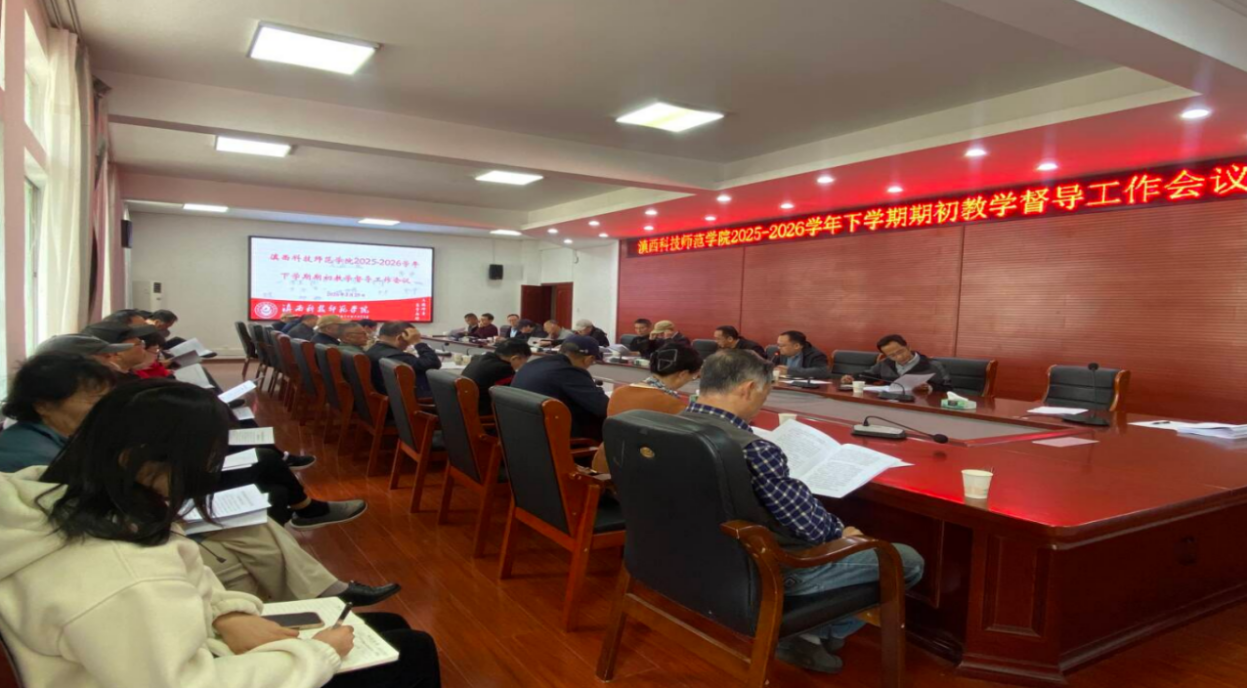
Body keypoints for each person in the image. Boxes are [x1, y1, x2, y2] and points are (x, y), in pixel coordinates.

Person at [0, 380, 441, 688]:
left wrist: (225, 615)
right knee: (411, 649)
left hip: (164, 652)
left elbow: (182, 582)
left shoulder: (47, 492)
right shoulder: (124, 577)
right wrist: (319, 654)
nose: (209, 473)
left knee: (392, 628)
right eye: (206, 460)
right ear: (138, 459)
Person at [0, 359, 399, 607]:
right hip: (130, 535)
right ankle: (306, 601)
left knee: (255, 523)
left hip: (141, 516)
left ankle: (324, 594)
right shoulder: (28, 455)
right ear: (43, 404)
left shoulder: (61, 434)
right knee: (261, 481)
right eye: (94, 398)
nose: (104, 407)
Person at [679, 350, 924, 674]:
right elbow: (812, 528)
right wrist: (842, 533)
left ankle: (811, 634)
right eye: (765, 393)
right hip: (758, 571)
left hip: (691, 558)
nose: (762, 402)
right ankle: (809, 632)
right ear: (748, 388)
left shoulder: (673, 424)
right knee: (903, 560)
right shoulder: (753, 448)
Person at [590, 343, 702, 472]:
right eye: (693, 376)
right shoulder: (672, 404)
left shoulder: (619, 392)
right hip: (639, 475)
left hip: (605, 466)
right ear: (683, 374)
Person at [512, 335, 609, 440]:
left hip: (523, 432)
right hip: (554, 439)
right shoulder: (570, 371)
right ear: (589, 359)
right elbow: (603, 407)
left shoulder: (533, 364)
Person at [840, 334, 952, 392]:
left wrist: (929, 388)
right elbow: (867, 376)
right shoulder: (885, 364)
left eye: (900, 352)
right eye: (892, 355)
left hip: (921, 407)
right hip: (891, 404)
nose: (899, 357)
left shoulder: (934, 365)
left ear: (908, 347)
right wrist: (852, 378)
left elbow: (948, 389)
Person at [367, 321, 441, 397]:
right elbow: (433, 363)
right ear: (399, 338)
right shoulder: (397, 357)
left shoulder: (373, 350)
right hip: (412, 399)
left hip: (390, 396)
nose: (409, 344)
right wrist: (417, 342)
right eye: (409, 340)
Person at [461, 339, 532, 416]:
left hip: (463, 406)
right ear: (515, 358)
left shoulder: (479, 358)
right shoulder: (504, 369)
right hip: (481, 412)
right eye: (525, 362)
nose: (524, 365)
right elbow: (511, 394)